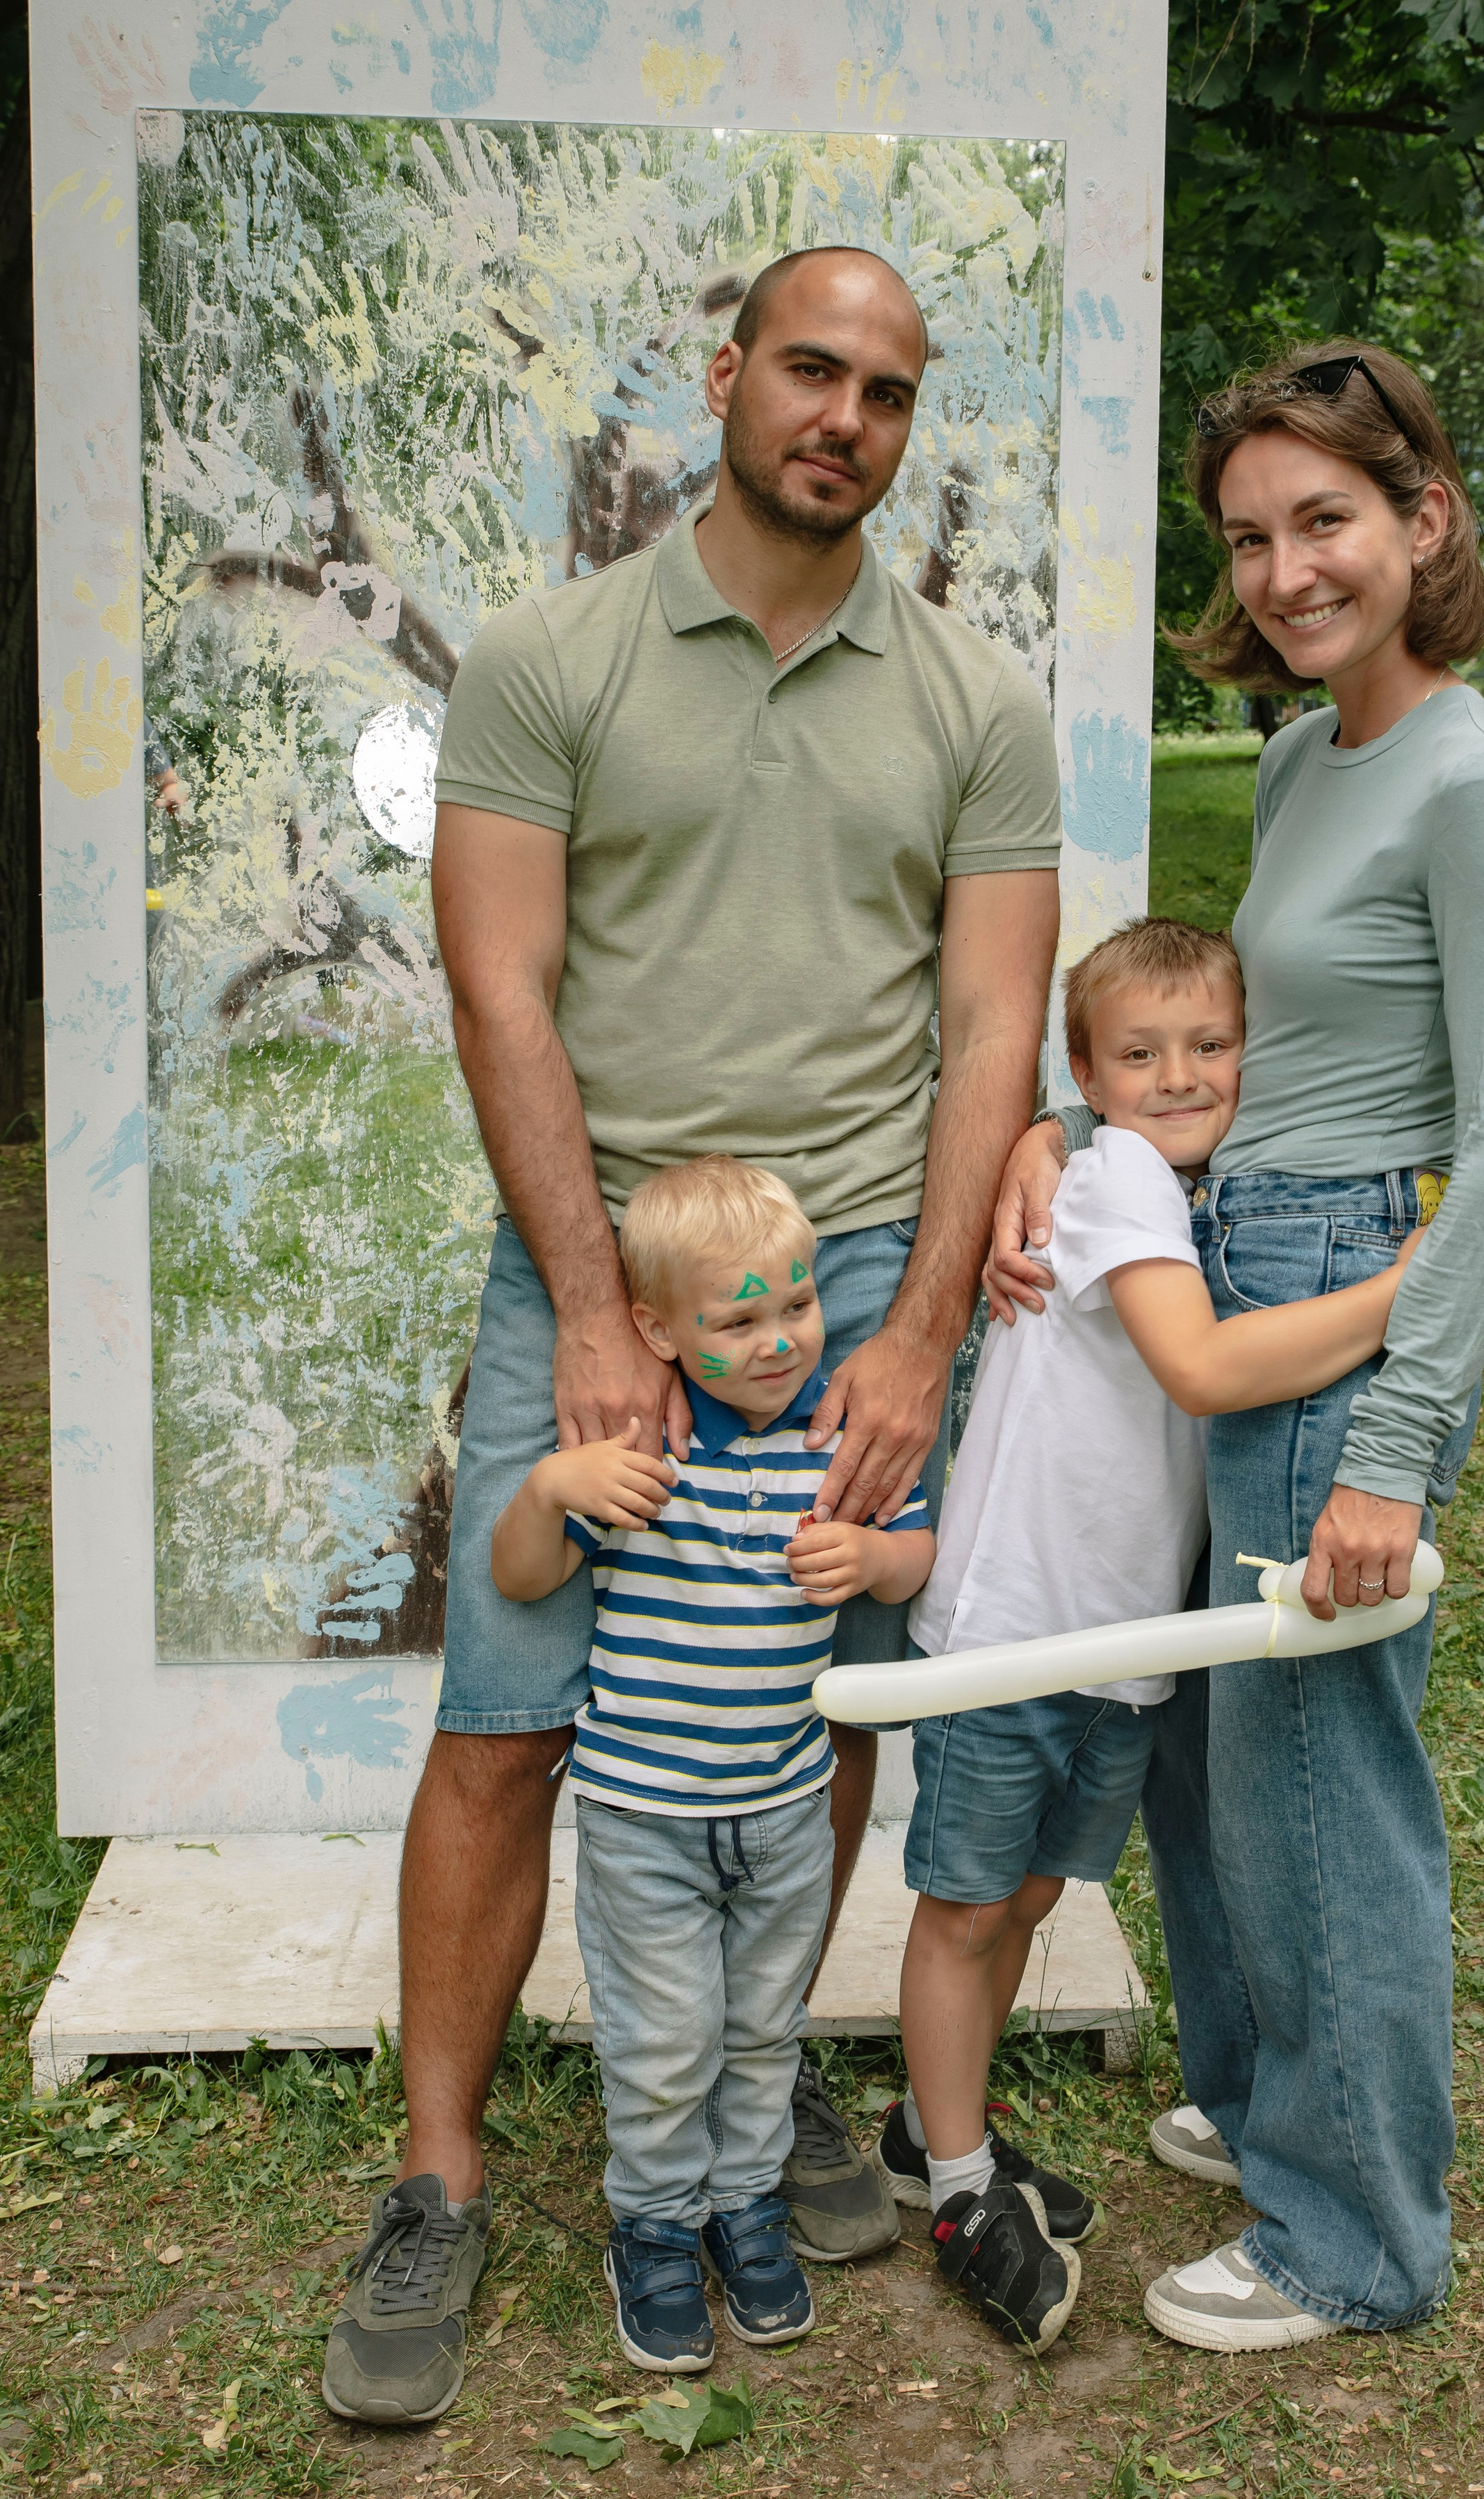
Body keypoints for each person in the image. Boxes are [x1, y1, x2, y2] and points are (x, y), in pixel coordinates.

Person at [322, 245, 1061, 2426]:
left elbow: (999, 1020)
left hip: (844, 1277)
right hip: (604, 1251)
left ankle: (750, 2094)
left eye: (890, 392)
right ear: (725, 377)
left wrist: (921, 1327)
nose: (845, 415)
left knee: (802, 1687)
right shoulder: (554, 657)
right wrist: (585, 1305)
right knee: (506, 1711)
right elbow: (500, 985)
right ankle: (440, 2185)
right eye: (811, 370)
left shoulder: (974, 703)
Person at [988, 341, 1484, 2352]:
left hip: (1339, 1311)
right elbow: (1255, 1039)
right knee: (1208, 1764)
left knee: (1323, 1773)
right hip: (1240, 1247)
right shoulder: (1319, 752)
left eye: (1325, 518)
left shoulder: (1476, 784)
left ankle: (1360, 2240)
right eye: (1250, 532)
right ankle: (1264, 2104)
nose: (1288, 567)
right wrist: (1077, 1129)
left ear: (1424, 518)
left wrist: (1401, 1439)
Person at [879, 915, 1468, 2354]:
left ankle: (927, 2130)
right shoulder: (1117, 1174)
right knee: (967, 1906)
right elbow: (1199, 1371)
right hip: (1021, 1617)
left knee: (1021, 1900)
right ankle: (955, 2180)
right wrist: (1420, 1293)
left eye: (1210, 1044)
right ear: (1086, 1070)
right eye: (1135, 1054)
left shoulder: (1186, 1171)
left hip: (1117, 1640)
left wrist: (1058, 1117)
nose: (1180, 1073)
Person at [489, 1158, 935, 2372]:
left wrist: (873, 1563)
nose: (781, 1337)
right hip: (645, 1816)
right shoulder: (641, 1459)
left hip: (787, 1809)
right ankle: (653, 2223)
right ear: (659, 1330)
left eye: (795, 1304)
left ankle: (745, 2203)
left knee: (762, 2028)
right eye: (737, 1319)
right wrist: (549, 1487)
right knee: (666, 2034)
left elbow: (916, 1545)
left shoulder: (834, 1444)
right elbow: (522, 1574)